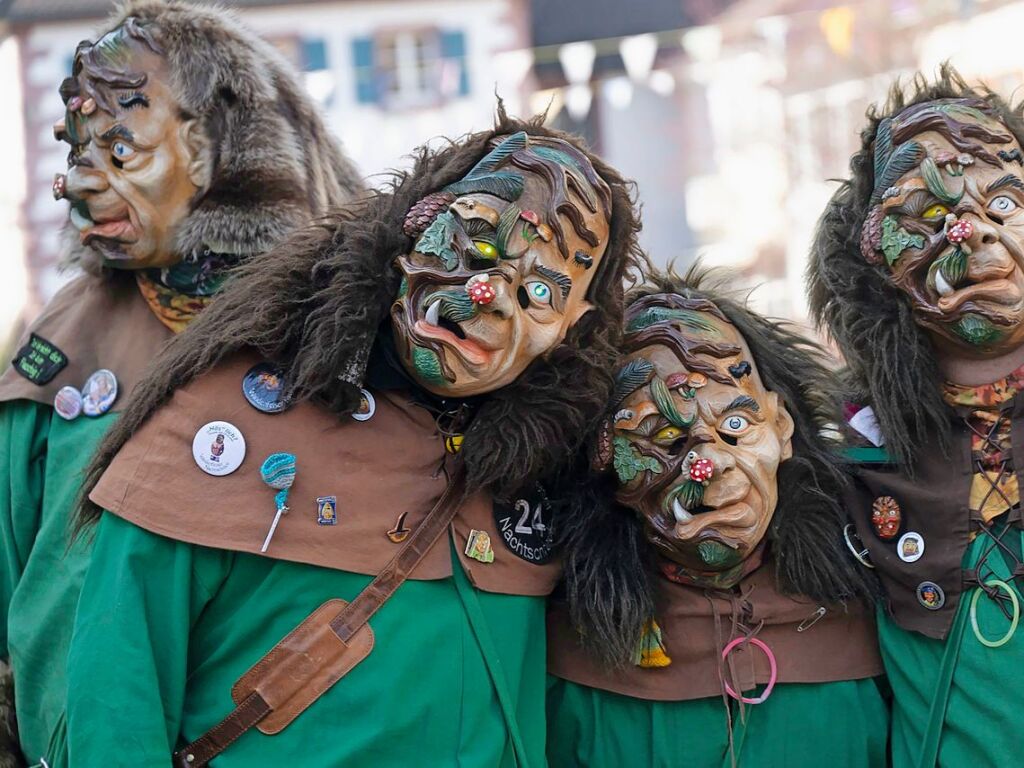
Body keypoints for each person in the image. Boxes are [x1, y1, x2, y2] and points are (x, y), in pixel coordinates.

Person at [66, 118, 641, 766]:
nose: (491, 295)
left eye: (539, 292)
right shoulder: (221, 424)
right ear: (414, 225)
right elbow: (114, 696)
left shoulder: (552, 472)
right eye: (476, 245)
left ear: (573, 328)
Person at [0, 2, 361, 764]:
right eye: (75, 150)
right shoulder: (63, 346)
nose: (75, 184)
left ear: (218, 146)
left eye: (121, 152)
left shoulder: (355, 335)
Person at [547, 270, 887, 767]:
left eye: (735, 426)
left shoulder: (870, 595)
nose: (710, 464)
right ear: (605, 463)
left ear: (782, 426)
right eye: (666, 439)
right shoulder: (560, 644)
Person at [808, 66, 1024, 767]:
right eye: (925, 215)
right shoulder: (844, 465)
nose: (971, 230)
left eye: (1004, 198)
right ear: (869, 262)